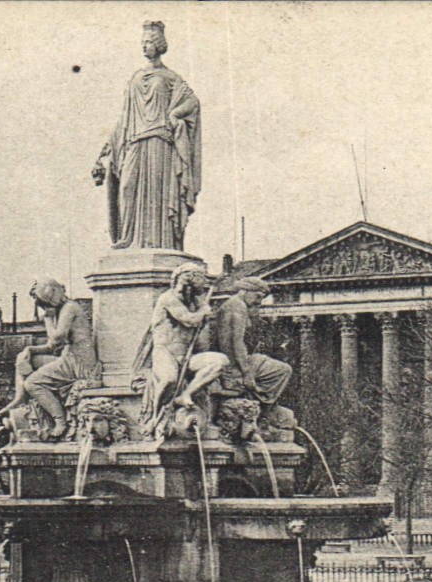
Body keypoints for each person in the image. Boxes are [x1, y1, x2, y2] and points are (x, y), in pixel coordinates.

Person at [92, 21, 201, 251]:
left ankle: (159, 242)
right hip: (134, 143)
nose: (144, 47)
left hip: (160, 143)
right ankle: (128, 239)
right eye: (142, 43)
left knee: (157, 196)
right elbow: (124, 118)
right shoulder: (135, 78)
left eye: (149, 42)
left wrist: (174, 113)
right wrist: (104, 152)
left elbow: (192, 101)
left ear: (160, 45)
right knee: (127, 188)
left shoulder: (171, 77)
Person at [0, 279, 99, 439]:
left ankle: (60, 420)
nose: (43, 308)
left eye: (43, 303)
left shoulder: (69, 308)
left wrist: (48, 319)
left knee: (33, 382)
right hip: (69, 356)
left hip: (79, 362)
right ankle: (19, 398)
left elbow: (57, 337)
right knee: (24, 358)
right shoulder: (63, 309)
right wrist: (29, 350)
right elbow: (52, 346)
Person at [196, 277, 293, 421]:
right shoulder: (237, 307)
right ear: (244, 291)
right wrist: (246, 373)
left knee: (276, 367)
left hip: (235, 359)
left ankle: (259, 402)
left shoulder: (233, 305)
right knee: (283, 370)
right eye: (258, 297)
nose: (258, 302)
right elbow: (236, 342)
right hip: (234, 362)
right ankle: (264, 406)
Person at [137, 268, 216, 435]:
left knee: (219, 362)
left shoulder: (195, 302)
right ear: (188, 281)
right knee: (169, 379)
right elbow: (188, 320)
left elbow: (202, 340)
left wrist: (204, 313)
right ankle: (155, 416)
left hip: (186, 356)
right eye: (201, 281)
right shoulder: (168, 298)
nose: (204, 286)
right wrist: (204, 312)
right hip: (165, 353)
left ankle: (186, 394)